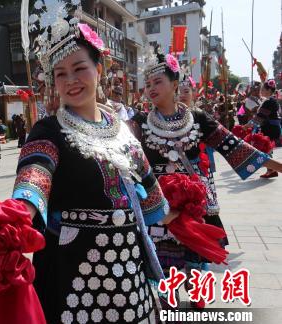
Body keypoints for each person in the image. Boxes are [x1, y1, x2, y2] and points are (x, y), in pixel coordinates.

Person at [14, 6, 170, 322]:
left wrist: (188, 215)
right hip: (73, 269)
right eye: (60, 73)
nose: (70, 80)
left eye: (79, 68)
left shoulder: (121, 129)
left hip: (128, 264)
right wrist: (18, 214)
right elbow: (35, 175)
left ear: (99, 68)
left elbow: (152, 198)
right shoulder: (48, 131)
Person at [128, 52, 282, 308]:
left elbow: (236, 147)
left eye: (158, 82)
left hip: (193, 205)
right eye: (148, 84)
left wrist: (277, 165)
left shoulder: (198, 119)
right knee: (165, 277)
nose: (151, 89)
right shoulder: (139, 123)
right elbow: (126, 162)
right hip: (159, 206)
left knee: (196, 270)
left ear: (174, 83)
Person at [247, 79, 281, 178]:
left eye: (262, 89)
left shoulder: (269, 102)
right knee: (267, 150)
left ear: (269, 91)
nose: (260, 91)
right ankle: (271, 170)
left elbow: (259, 118)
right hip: (270, 128)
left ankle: (273, 169)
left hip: (270, 129)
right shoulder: (270, 101)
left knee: (265, 150)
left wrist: (247, 125)